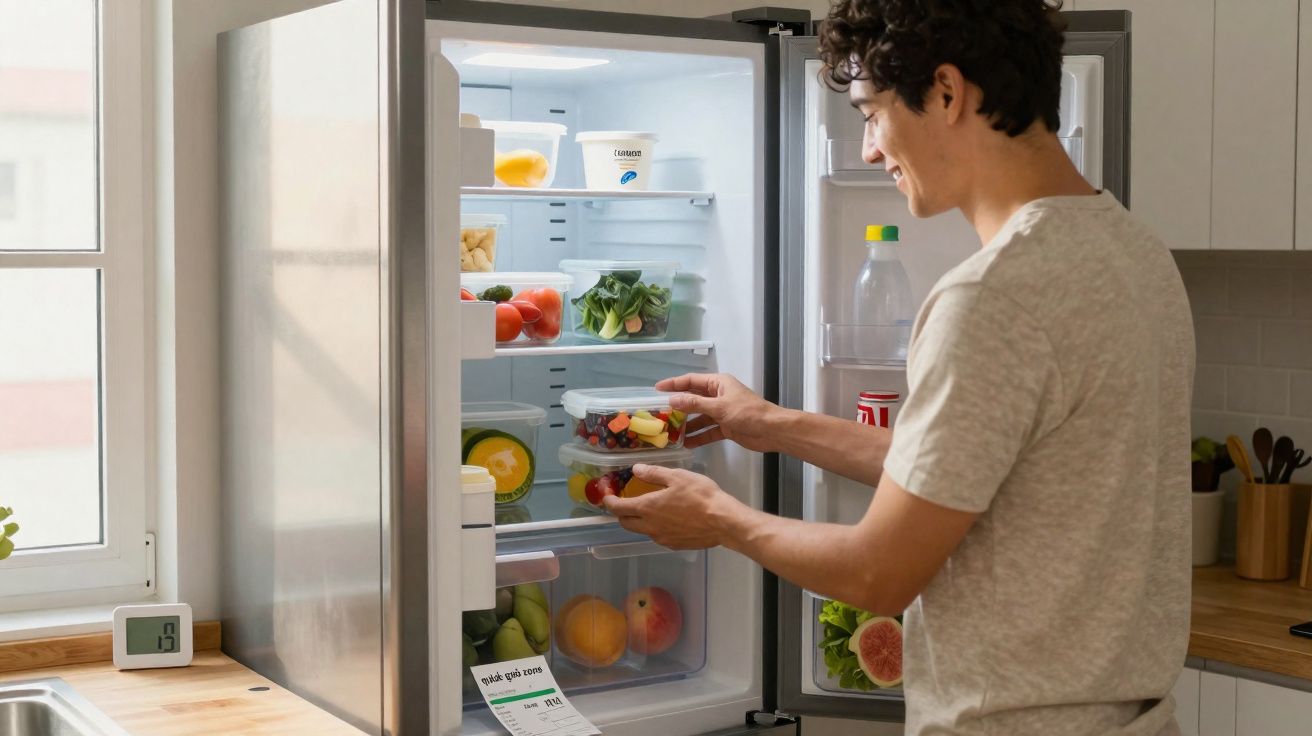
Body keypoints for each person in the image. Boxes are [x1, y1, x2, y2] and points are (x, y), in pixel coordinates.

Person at [603, 1, 1195, 734]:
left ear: (947, 93)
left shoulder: (993, 297)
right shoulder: (1136, 253)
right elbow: (969, 472)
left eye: (872, 113)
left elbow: (878, 573)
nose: (870, 150)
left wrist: (719, 517)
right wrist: (773, 425)